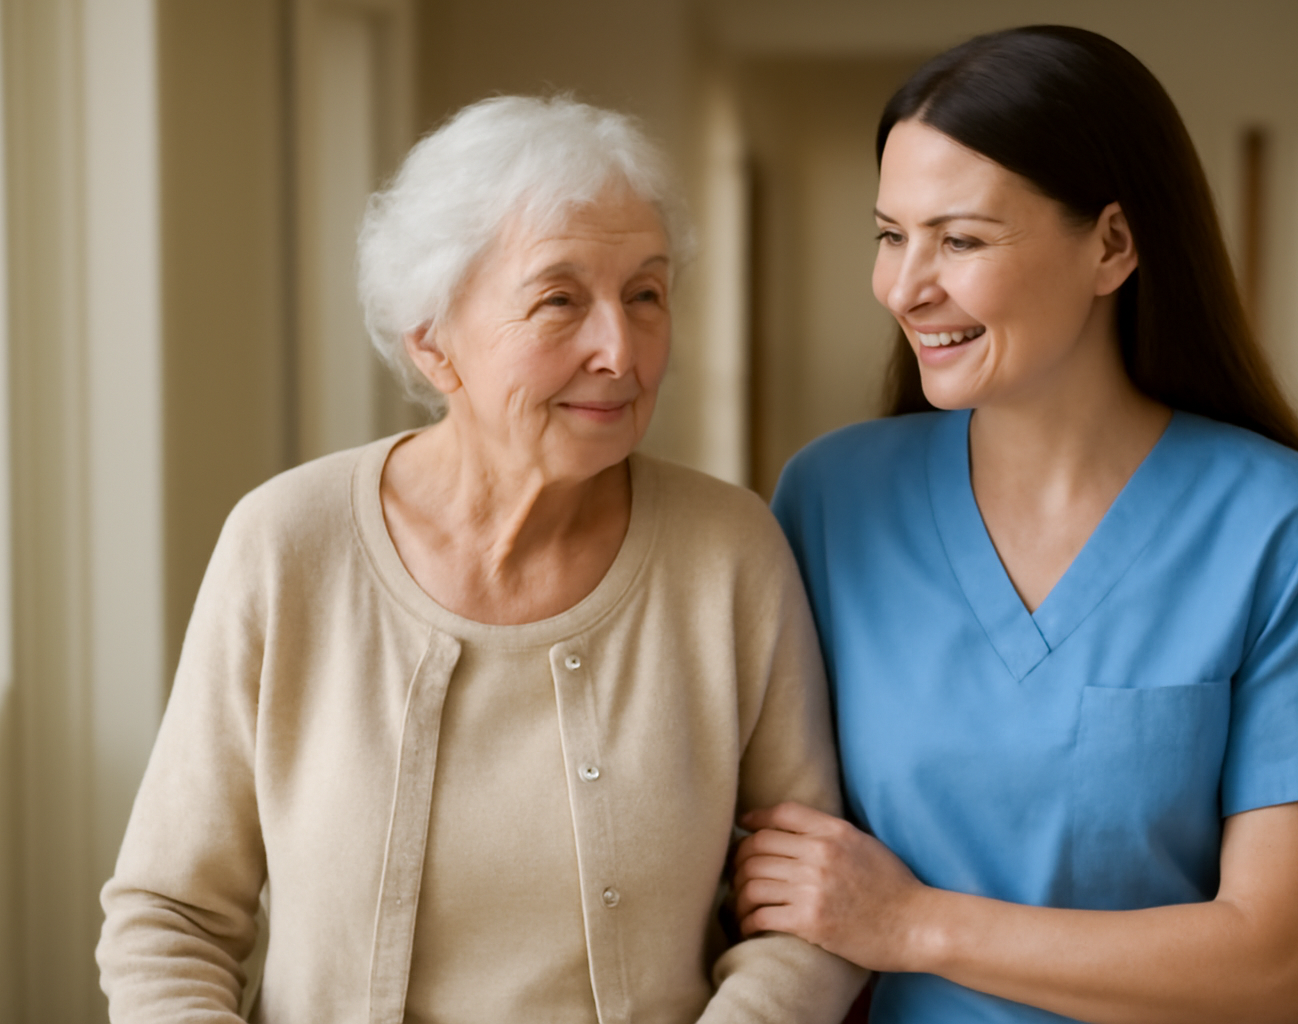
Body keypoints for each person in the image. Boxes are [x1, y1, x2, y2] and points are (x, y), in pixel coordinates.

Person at [97, 95, 865, 1024]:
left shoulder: (730, 554)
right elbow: (168, 916)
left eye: (646, 294)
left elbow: (812, 914)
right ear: (433, 341)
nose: (621, 351)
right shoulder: (286, 544)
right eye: (559, 300)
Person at [735, 25, 1298, 1024]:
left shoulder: (1289, 530)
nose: (904, 286)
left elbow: (1272, 968)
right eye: (891, 234)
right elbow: (772, 871)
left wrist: (915, 923)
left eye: (960, 239)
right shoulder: (831, 500)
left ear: (1112, 243)